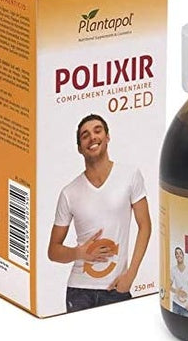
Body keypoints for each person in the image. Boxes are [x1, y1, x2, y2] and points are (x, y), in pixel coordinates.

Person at [47, 114, 151, 312]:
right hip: (78, 291)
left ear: (107, 136)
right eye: (85, 135)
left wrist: (131, 275)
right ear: (79, 148)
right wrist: (79, 253)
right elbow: (53, 251)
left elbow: (145, 226)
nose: (92, 137)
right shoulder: (69, 192)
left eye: (97, 131)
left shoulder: (130, 176)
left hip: (116, 288)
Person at [170, 247, 188, 318]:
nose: (178, 255)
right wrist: (176, 291)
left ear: (183, 255)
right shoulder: (173, 270)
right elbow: (167, 285)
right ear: (175, 256)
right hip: (176, 304)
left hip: (186, 306)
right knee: (175, 322)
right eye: (176, 253)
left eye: (180, 253)